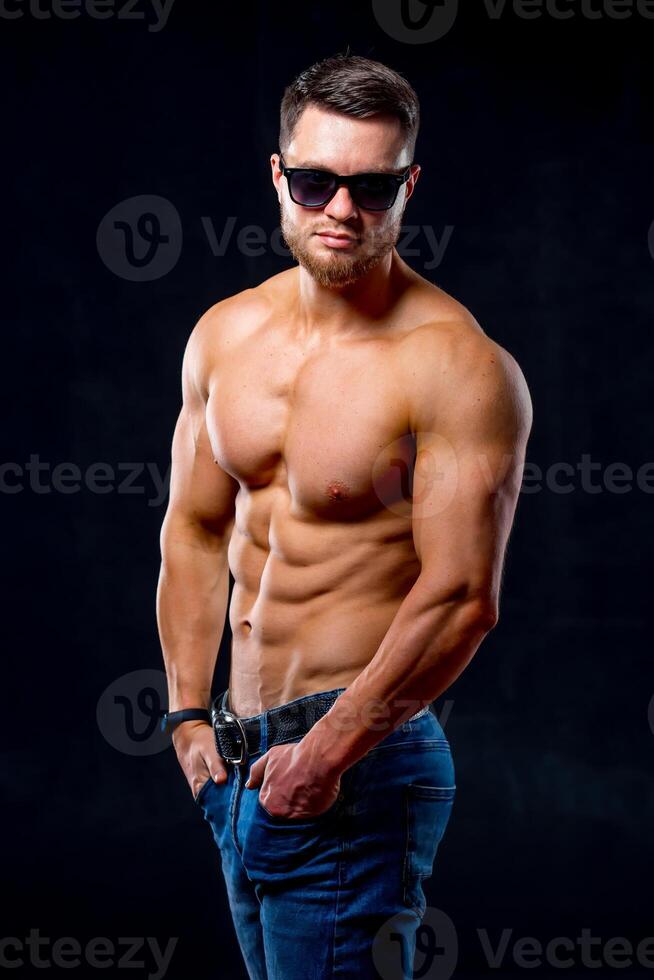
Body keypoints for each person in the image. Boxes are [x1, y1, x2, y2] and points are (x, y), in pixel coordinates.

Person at [156, 52, 533, 980]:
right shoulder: (226, 333)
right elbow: (196, 529)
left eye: (370, 188)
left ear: (409, 186)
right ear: (279, 175)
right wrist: (187, 715)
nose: (340, 211)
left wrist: (324, 755)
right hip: (243, 769)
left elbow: (460, 598)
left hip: (355, 766)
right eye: (317, 180)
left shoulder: (456, 365)